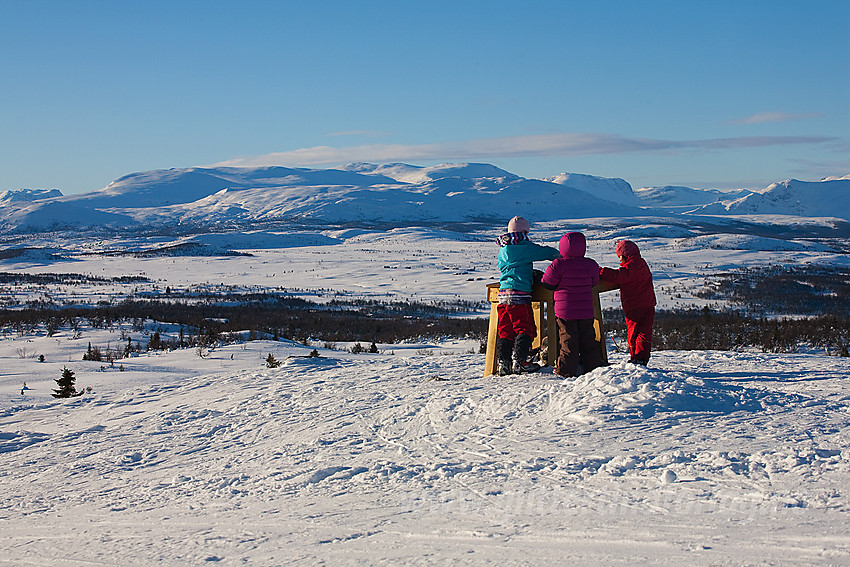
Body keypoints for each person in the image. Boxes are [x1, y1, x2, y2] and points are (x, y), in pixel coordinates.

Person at [496, 216, 560, 375]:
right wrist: (563, 255)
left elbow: (512, 268)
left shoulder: (503, 249)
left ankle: (504, 364)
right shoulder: (523, 247)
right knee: (524, 328)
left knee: (506, 330)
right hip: (519, 295)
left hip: (503, 295)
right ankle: (521, 361)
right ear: (524, 231)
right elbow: (547, 252)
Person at [541, 231, 606, 377]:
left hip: (566, 312)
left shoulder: (558, 264)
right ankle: (594, 367)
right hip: (586, 310)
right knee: (588, 339)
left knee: (568, 340)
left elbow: (547, 282)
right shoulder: (591, 264)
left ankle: (566, 370)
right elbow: (594, 281)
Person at [599, 239, 656, 366]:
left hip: (634, 306)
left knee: (634, 332)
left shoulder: (631, 266)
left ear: (624, 255)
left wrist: (601, 271)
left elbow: (619, 276)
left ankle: (636, 356)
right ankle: (642, 356)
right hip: (648, 304)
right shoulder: (641, 263)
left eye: (620, 257)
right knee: (644, 332)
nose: (620, 261)